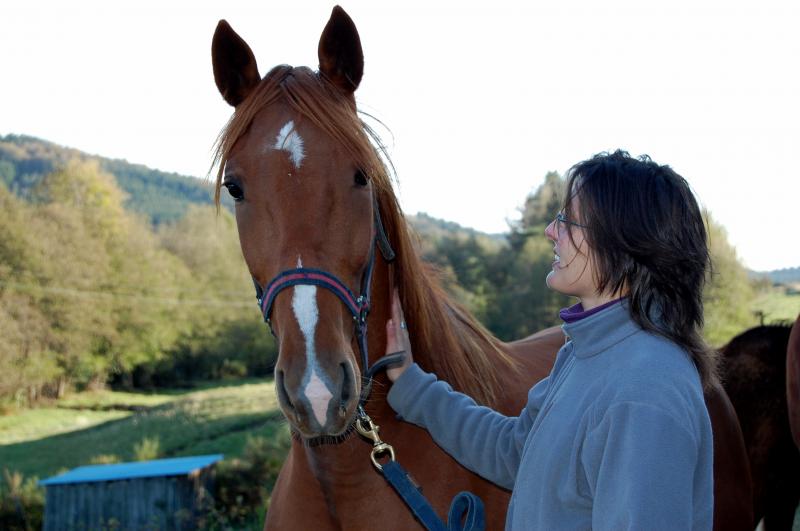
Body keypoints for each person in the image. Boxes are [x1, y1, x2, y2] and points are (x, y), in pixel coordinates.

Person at [384, 150, 716, 530]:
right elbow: (514, 452)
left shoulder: (645, 391)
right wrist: (412, 385)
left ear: (624, 242)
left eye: (569, 221)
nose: (550, 231)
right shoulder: (583, 352)